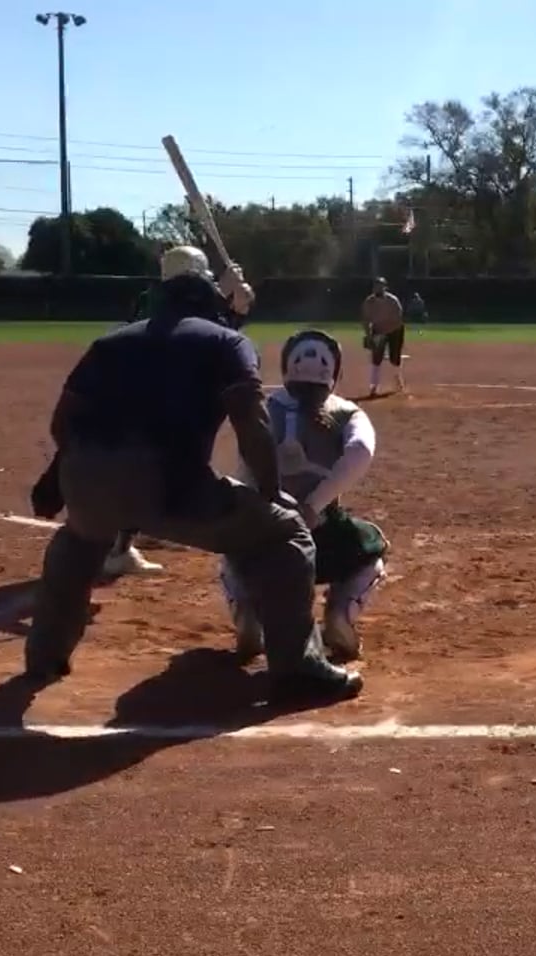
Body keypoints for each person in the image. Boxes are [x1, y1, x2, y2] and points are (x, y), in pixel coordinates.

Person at [22, 256, 361, 701]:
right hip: (169, 484)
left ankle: (44, 656)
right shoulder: (227, 342)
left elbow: (63, 421)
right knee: (286, 533)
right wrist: (270, 490)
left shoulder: (110, 342)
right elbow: (252, 423)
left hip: (87, 476)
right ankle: (298, 667)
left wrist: (64, 475)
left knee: (78, 543)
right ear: (213, 305)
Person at [35, 245, 256, 580]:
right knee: (152, 459)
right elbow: (200, 338)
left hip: (123, 422)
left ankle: (120, 545)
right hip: (135, 424)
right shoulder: (157, 306)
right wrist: (231, 301)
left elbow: (209, 335)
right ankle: (116, 544)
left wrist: (235, 307)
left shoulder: (158, 301)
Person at [220, 330, 386, 662]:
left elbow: (244, 468)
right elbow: (360, 451)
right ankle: (340, 613)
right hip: (323, 540)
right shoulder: (347, 411)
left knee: (231, 552)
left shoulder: (262, 408)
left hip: (266, 539)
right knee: (372, 548)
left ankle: (248, 614)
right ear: (333, 371)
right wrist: (313, 505)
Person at [361, 277, 407, 397]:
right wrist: (369, 335)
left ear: (385, 287)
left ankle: (397, 379)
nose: (378, 288)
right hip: (378, 330)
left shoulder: (392, 300)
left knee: (394, 357)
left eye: (381, 286)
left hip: (395, 330)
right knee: (376, 358)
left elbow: (398, 319)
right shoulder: (369, 302)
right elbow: (366, 320)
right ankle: (374, 386)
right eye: (376, 286)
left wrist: (385, 333)